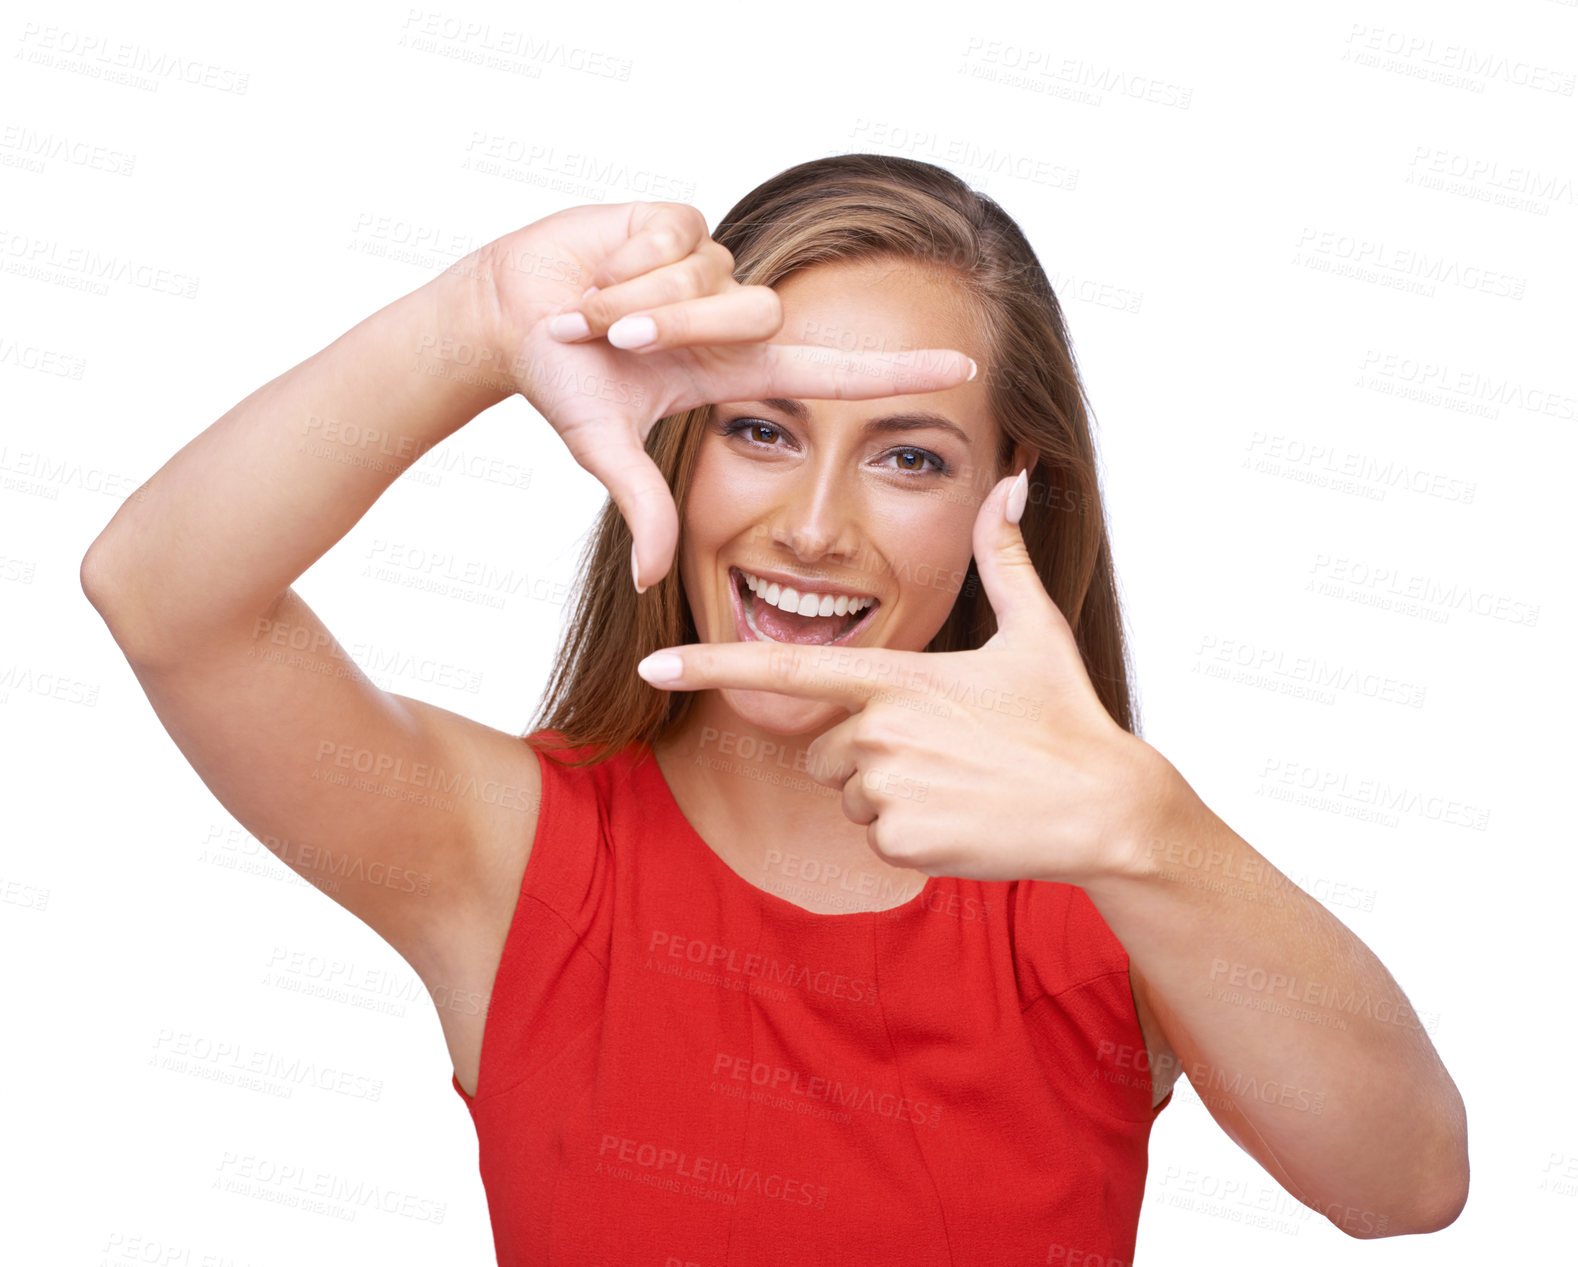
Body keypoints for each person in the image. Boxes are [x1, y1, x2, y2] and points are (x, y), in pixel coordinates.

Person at [82, 153, 1469, 1264]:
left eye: (908, 458)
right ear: (674, 442)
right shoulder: (504, 855)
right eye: (761, 429)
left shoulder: (1106, 876)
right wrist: (475, 326)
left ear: (1010, 497)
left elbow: (1401, 1187)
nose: (811, 527)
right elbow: (163, 594)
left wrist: (1149, 829)